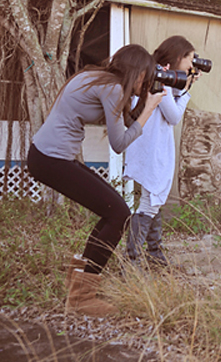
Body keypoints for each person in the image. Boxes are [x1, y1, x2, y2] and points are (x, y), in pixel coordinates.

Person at [27, 44, 164, 316]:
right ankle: (82, 298)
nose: (145, 83)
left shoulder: (96, 77)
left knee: (113, 212)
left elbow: (124, 123)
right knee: (120, 214)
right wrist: (149, 109)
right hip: (52, 159)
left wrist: (142, 102)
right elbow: (119, 143)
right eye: (144, 77)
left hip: (47, 156)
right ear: (135, 73)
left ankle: (78, 285)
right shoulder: (111, 88)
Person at [123, 36, 197, 269]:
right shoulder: (159, 79)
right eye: (190, 59)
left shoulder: (155, 74)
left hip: (146, 145)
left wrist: (183, 86)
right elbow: (173, 116)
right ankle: (132, 261)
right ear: (178, 57)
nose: (192, 65)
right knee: (150, 203)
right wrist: (185, 92)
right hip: (152, 148)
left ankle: (155, 255)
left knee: (153, 201)